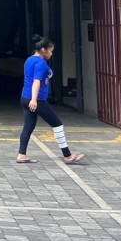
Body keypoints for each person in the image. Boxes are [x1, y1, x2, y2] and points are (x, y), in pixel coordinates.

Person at [16, 34, 86, 165]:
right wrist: (34, 100)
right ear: (43, 49)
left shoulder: (29, 60)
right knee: (57, 125)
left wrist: (31, 99)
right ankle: (68, 156)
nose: (51, 54)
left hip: (25, 98)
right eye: (51, 51)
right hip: (37, 100)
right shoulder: (41, 63)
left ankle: (22, 155)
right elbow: (36, 82)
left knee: (28, 127)